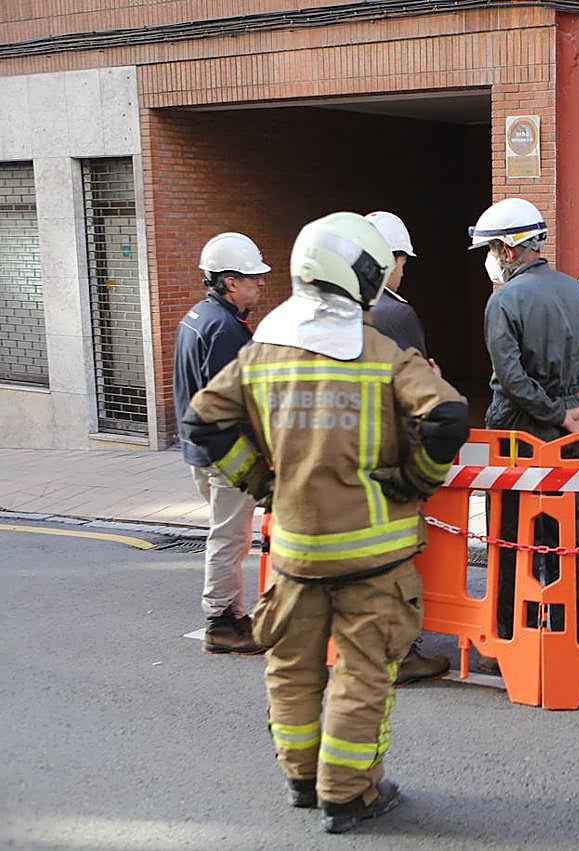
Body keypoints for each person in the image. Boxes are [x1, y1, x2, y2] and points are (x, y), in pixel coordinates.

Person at [180, 212, 469, 834]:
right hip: (376, 555)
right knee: (364, 671)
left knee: (290, 666)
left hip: (295, 552)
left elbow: (203, 421)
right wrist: (417, 480)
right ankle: (349, 794)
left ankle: (301, 781)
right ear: (362, 275)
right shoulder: (382, 353)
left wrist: (260, 481)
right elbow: (448, 417)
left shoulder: (259, 355)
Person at [470, 198, 579, 667]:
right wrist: (566, 411)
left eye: (489, 250)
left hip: (520, 429)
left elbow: (510, 377)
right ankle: (573, 633)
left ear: (507, 249)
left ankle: (506, 634)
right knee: (567, 537)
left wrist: (552, 412)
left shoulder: (503, 300)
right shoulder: (574, 290)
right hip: (571, 421)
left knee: (510, 537)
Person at [365, 210, 451, 686]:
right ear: (390, 259)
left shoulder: (334, 307)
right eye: (402, 259)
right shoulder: (396, 313)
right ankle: (398, 653)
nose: (405, 269)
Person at [173, 232, 270, 655]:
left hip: (200, 450)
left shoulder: (196, 317)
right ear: (230, 281)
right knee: (230, 539)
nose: (261, 284)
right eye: (253, 278)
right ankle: (220, 621)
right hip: (226, 455)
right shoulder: (225, 330)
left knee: (230, 536)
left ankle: (233, 613)